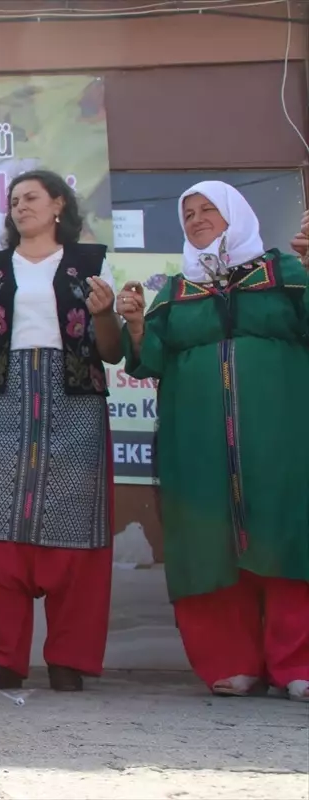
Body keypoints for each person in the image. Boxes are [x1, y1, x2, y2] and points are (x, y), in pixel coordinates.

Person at [0, 169, 121, 692]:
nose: (20, 206)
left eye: (31, 197)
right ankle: (6, 659)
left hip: (75, 398)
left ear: (59, 204)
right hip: (5, 398)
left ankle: (67, 659)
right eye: (14, 200)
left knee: (75, 528)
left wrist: (105, 315)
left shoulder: (91, 264)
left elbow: (112, 349)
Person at [118, 182, 308, 701]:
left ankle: (299, 664)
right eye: (188, 213)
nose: (197, 219)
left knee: (288, 535)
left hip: (282, 436)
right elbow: (151, 359)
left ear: (235, 216)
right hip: (197, 440)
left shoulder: (287, 274)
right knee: (210, 544)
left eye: (208, 210)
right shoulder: (177, 290)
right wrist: (136, 327)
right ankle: (233, 662)